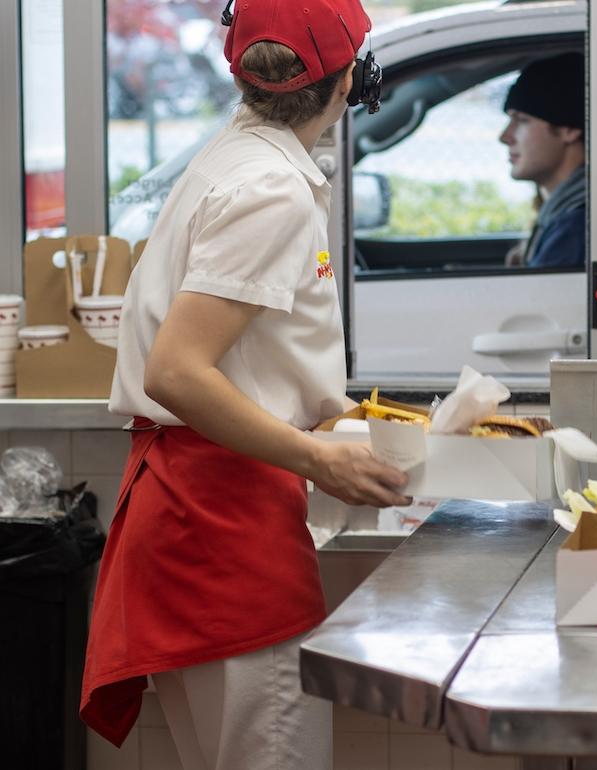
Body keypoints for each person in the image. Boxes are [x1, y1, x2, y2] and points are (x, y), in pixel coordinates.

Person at [79, 2, 408, 768]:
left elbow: (249, 359)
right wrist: (321, 458)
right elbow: (178, 371)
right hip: (220, 521)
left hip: (204, 512)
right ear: (350, 80)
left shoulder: (236, 156)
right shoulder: (270, 188)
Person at [500, 52, 586, 269]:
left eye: (521, 120)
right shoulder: (562, 216)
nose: (504, 136)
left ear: (568, 129)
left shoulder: (575, 227)